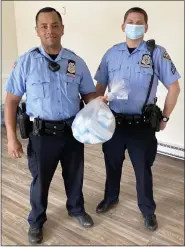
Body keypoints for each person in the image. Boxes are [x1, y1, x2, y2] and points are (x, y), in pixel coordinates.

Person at [5, 7, 102, 244]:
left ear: (62, 28)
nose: (50, 30)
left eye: (55, 25)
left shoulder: (76, 62)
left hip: (72, 132)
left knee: (75, 175)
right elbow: (11, 101)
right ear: (37, 30)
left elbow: (89, 94)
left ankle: (76, 209)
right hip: (42, 135)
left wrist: (99, 106)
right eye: (44, 26)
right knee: (40, 181)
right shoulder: (26, 62)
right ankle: (36, 221)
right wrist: (11, 137)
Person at [94, 7, 181, 231]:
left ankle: (147, 210)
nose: (134, 25)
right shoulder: (111, 53)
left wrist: (165, 117)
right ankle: (111, 197)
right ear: (123, 26)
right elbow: (99, 86)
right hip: (114, 123)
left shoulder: (156, 53)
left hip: (141, 125)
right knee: (111, 163)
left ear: (146, 27)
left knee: (143, 169)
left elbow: (174, 87)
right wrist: (98, 104)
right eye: (130, 21)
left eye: (139, 22)